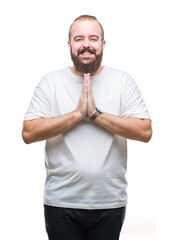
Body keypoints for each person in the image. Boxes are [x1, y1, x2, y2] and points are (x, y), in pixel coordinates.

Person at [22, 15, 152, 240]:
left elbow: (145, 131)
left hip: (109, 203)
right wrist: (76, 114)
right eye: (78, 38)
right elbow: (28, 133)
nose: (86, 44)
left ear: (102, 44)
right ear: (70, 44)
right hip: (60, 203)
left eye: (93, 38)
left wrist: (94, 114)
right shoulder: (50, 82)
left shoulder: (122, 81)